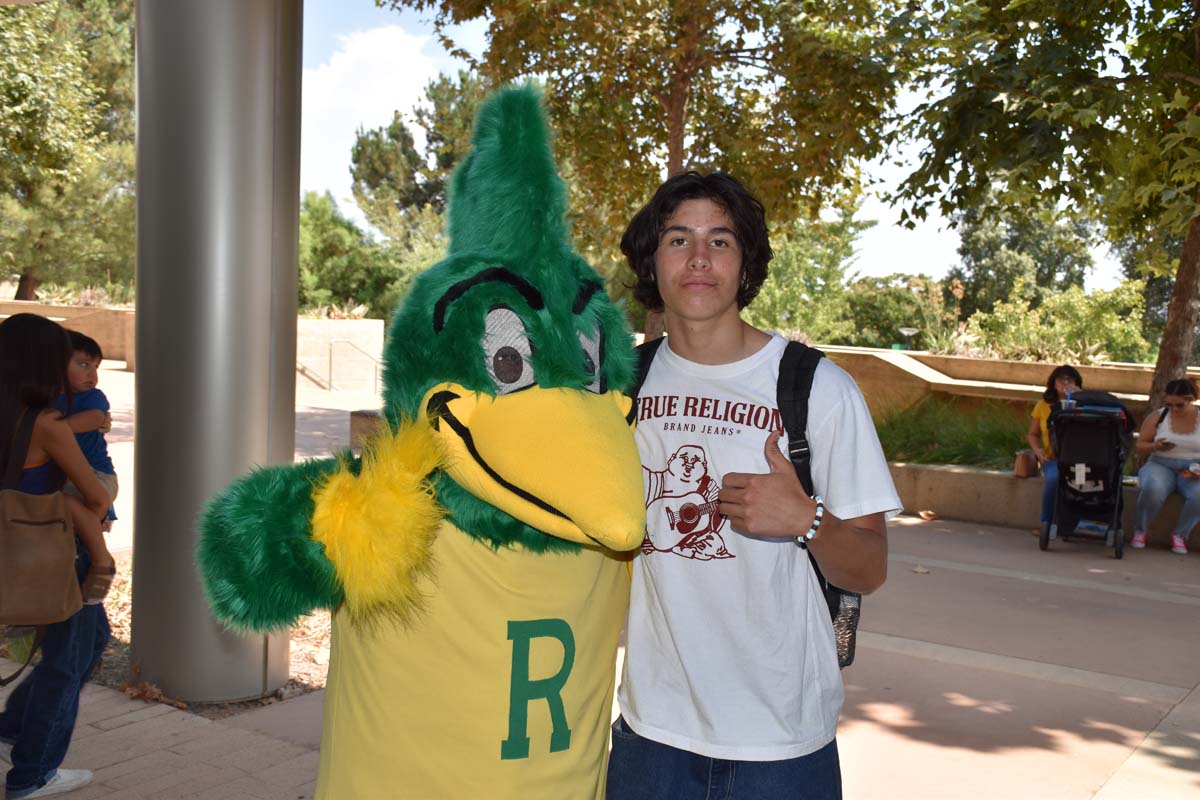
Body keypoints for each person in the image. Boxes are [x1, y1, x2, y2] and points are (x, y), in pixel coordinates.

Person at [607, 171, 900, 800]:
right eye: (678, 238)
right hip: (652, 734)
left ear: (745, 266)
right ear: (651, 260)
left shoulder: (817, 388)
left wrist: (807, 520)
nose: (698, 258)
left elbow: (869, 568)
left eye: (721, 241)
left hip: (782, 745)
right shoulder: (620, 387)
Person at [0, 313, 111, 799]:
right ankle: (32, 773)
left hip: (11, 553)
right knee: (67, 661)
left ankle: (12, 729)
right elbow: (95, 494)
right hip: (56, 556)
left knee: (95, 639)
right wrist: (77, 505)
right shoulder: (46, 421)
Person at [53, 331, 119, 597]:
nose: (92, 374)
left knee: (68, 503)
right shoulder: (48, 397)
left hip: (96, 475)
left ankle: (102, 560)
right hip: (73, 478)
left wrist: (53, 430)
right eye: (83, 364)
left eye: (95, 367)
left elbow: (94, 418)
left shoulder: (91, 398)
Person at [1131, 377, 1200, 554]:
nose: (1174, 409)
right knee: (1153, 488)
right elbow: (1139, 446)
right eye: (1169, 404)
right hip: (1161, 463)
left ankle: (1180, 534)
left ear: (1190, 400)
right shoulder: (1158, 416)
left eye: (1179, 405)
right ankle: (1141, 530)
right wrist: (1155, 446)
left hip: (1192, 468)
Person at [1027, 365, 1082, 535]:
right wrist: (1037, 451)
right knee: (1053, 480)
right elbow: (1033, 434)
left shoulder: (1084, 403)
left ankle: (1076, 525)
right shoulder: (1043, 406)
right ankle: (1047, 524)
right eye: (1061, 379)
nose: (1065, 383)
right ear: (1053, 383)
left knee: (1082, 483)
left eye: (1070, 379)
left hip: (1080, 461)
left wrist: (1079, 397)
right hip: (1053, 460)